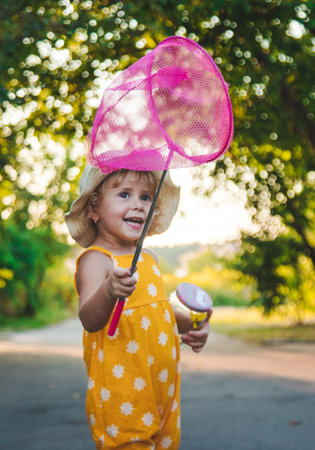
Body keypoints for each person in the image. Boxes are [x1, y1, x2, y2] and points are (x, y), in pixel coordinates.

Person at [65, 163, 211, 449]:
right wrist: (109, 290)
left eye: (146, 197)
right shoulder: (98, 259)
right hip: (123, 393)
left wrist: (195, 324)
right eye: (124, 195)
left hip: (163, 390)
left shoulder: (150, 259)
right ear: (93, 209)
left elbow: (160, 314)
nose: (138, 204)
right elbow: (90, 319)